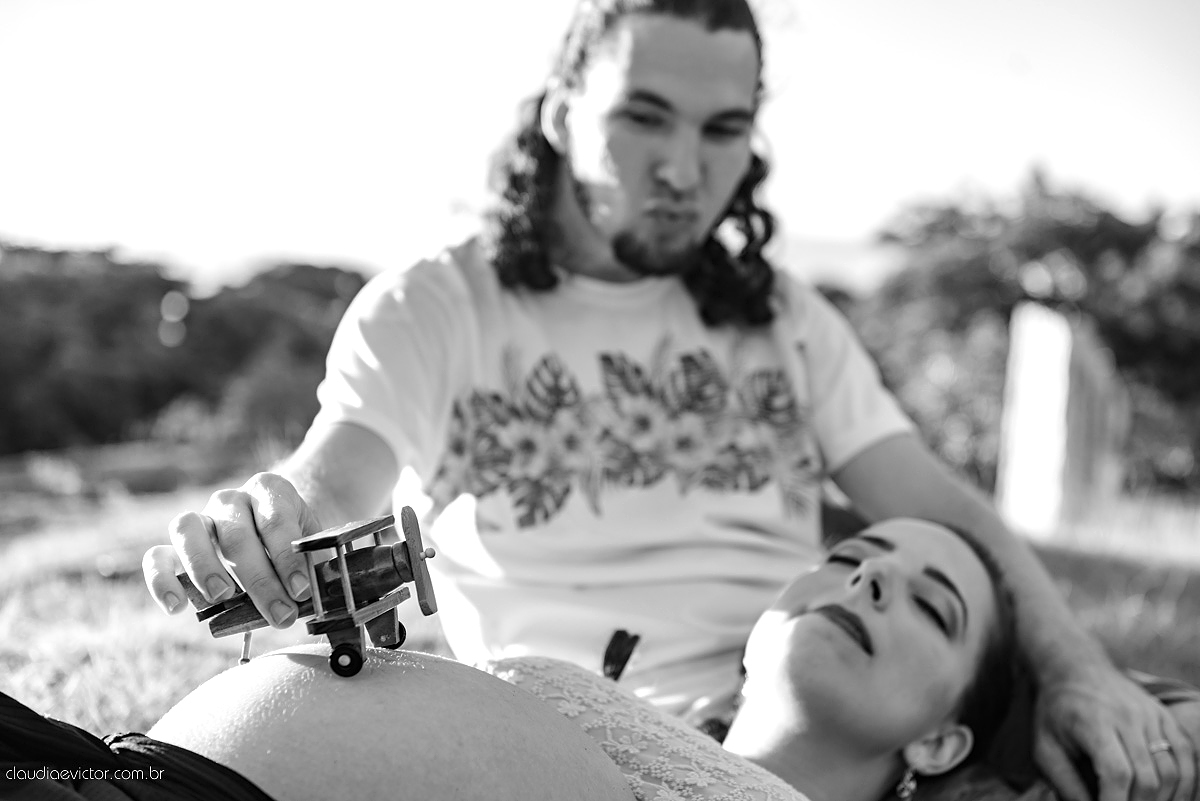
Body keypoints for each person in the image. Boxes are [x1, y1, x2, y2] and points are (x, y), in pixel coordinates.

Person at [142, 3, 1197, 801]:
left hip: (826, 722)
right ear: (561, 112)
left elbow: (946, 514)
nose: (687, 172)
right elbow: (337, 477)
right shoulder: (436, 306)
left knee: (1167, 738)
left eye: (723, 130)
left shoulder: (786, 320)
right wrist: (273, 523)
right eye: (645, 119)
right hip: (572, 743)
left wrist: (1081, 673)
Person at [17, 518, 1016, 801]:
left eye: (930, 604)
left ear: (941, 740)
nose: (867, 582)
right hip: (110, 770)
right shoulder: (652, 722)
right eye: (847, 559)